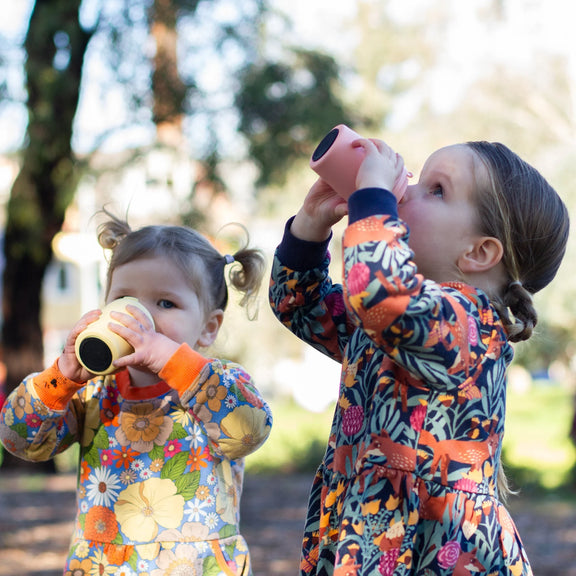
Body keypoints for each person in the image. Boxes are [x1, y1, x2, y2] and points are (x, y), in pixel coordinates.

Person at [269, 136, 569, 575]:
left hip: (436, 555)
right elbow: (303, 307)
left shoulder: (467, 323)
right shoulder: (390, 324)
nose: (404, 191)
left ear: (479, 252)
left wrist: (372, 196)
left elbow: (379, 293)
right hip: (365, 538)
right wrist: (310, 227)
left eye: (436, 190)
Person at [0, 211, 272, 576]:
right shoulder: (92, 393)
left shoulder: (216, 384)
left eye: (165, 303)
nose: (141, 316)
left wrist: (172, 360)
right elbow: (19, 439)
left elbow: (249, 431)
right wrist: (62, 377)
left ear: (208, 328)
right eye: (125, 298)